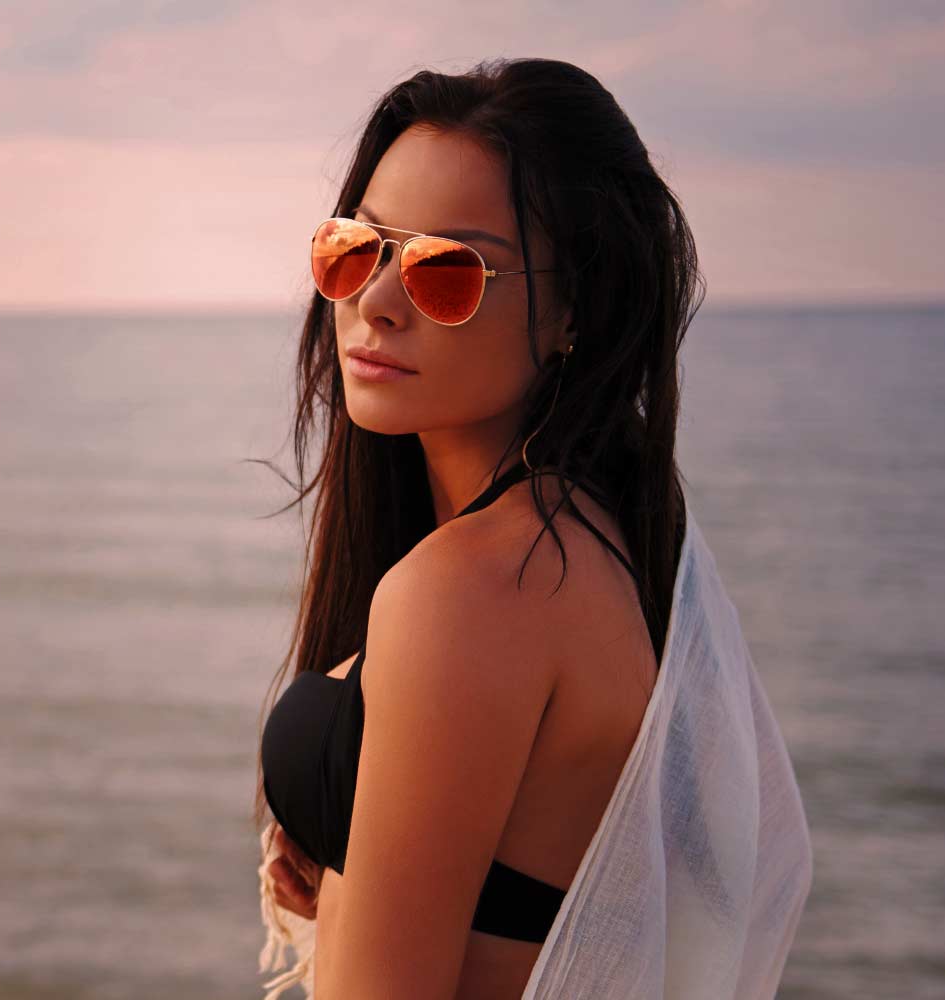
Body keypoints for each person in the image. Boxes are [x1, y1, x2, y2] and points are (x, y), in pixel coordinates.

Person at [251, 57, 811, 998]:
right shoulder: (594, 540)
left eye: (445, 268)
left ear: (571, 315)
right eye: (358, 246)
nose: (376, 299)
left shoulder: (475, 588)